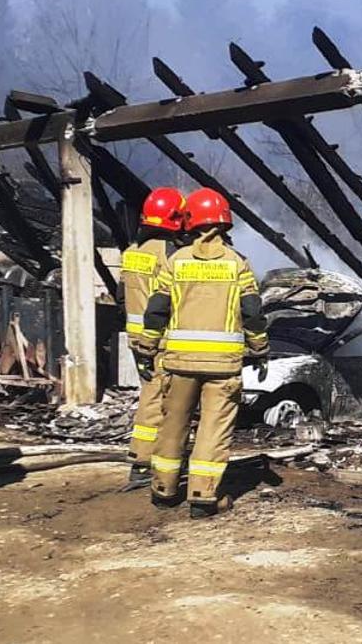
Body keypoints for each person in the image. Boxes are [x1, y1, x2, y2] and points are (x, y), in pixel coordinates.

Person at [139, 187, 268, 518]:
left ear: (189, 221)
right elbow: (252, 312)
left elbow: (156, 310)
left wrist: (147, 347)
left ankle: (163, 491)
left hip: (179, 364)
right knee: (213, 429)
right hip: (223, 368)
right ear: (225, 223)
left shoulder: (175, 262)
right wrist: (259, 347)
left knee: (173, 425)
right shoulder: (238, 265)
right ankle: (203, 497)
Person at [121, 187, 186, 490]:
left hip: (138, 338)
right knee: (156, 400)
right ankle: (144, 462)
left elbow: (125, 296)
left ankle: (158, 456)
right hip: (159, 339)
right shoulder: (168, 252)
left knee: (153, 395)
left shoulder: (132, 252)